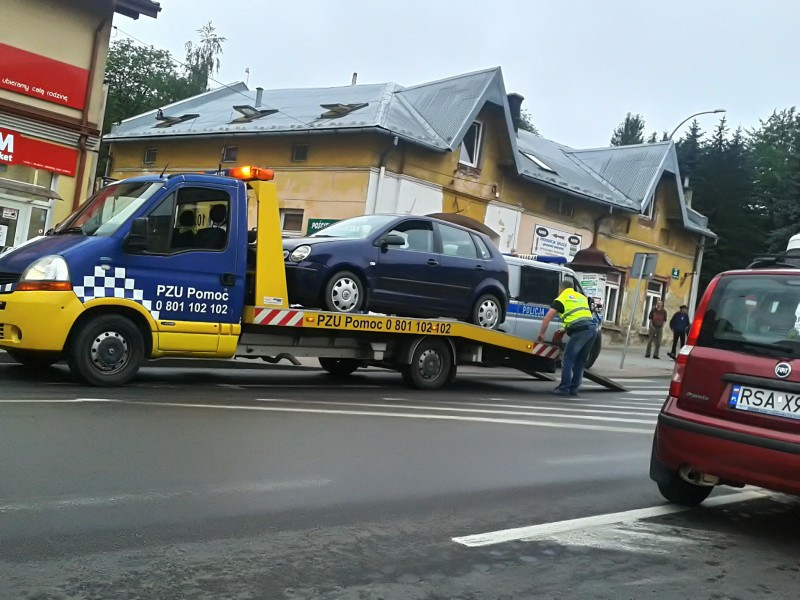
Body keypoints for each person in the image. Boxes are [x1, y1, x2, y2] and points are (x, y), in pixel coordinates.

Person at [537, 281, 597, 396]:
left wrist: (542, 334)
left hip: (580, 331)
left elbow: (547, 318)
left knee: (567, 359)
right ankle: (574, 388)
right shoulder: (581, 297)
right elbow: (581, 316)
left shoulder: (561, 298)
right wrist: (564, 330)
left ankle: (564, 388)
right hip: (592, 329)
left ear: (561, 289)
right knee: (580, 361)